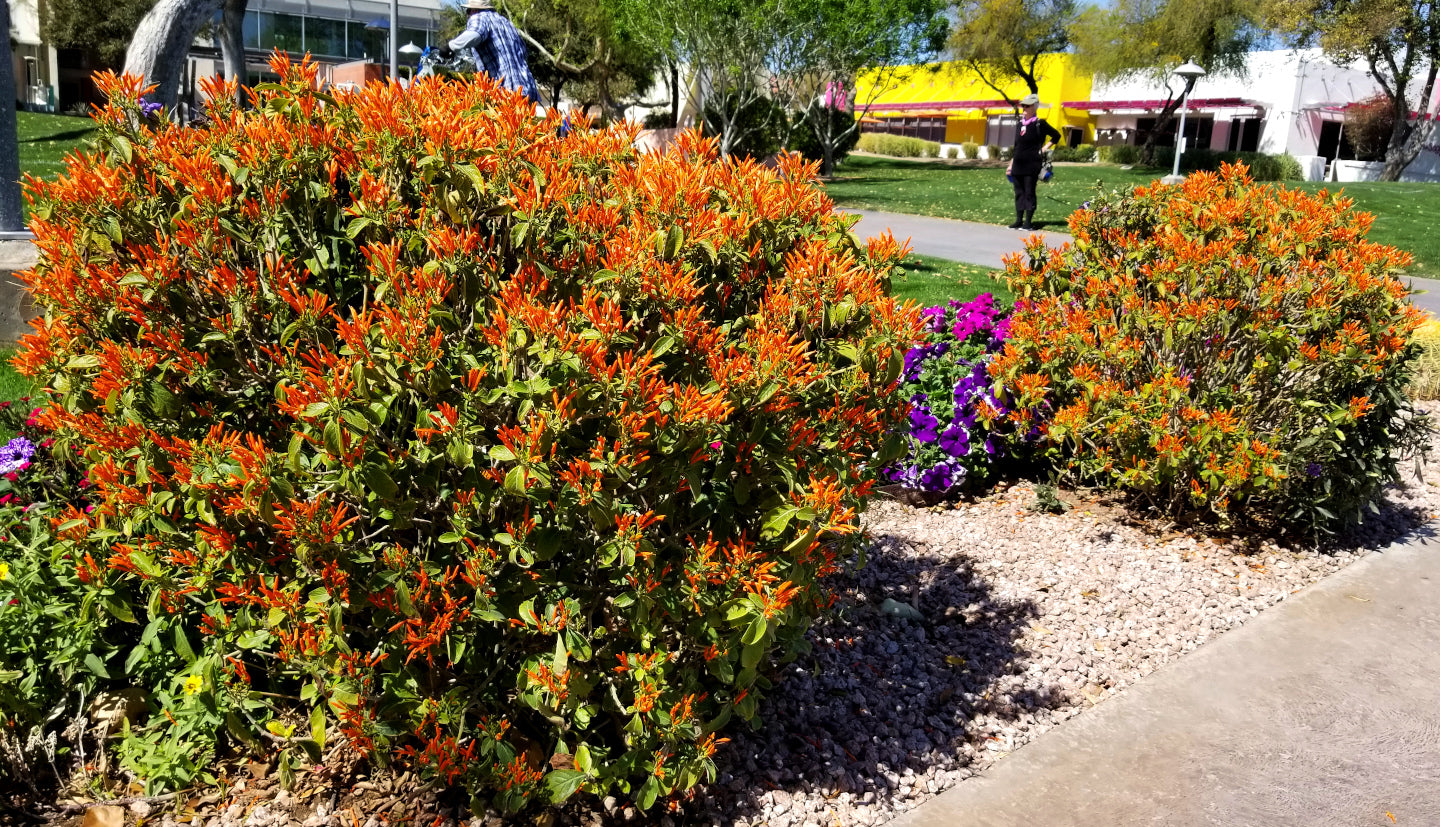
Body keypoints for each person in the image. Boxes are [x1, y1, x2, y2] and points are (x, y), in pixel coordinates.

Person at [442, 0, 540, 104]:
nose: (468, 15)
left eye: (468, 11)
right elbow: (524, 52)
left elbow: (475, 34)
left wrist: (450, 47)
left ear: (474, 10)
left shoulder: (479, 17)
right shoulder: (506, 22)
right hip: (526, 89)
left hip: (504, 92)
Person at [1005, 93, 1061, 231]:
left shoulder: (1039, 124)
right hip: (1018, 164)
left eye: (1027, 106)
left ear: (1034, 107)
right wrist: (1010, 165)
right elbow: (1017, 146)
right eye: (1023, 105)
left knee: (1029, 192)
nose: (1024, 108)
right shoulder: (1020, 124)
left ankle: (1028, 223)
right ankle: (1018, 220)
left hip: (1032, 164)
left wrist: (1044, 148)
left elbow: (1056, 135)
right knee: (1019, 192)